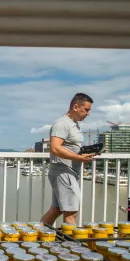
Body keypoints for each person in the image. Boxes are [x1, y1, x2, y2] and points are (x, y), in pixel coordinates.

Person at [41, 93, 96, 227]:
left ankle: (37, 236)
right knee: (71, 212)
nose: (88, 113)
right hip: (63, 172)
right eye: (86, 110)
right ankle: (71, 246)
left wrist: (83, 152)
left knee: (57, 209)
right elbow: (55, 148)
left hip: (67, 172)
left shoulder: (74, 125)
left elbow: (68, 147)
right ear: (76, 107)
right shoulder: (62, 124)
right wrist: (79, 157)